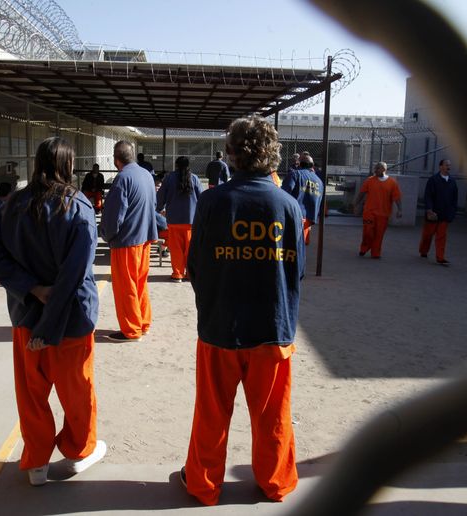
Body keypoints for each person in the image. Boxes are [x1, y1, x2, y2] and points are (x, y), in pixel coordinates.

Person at [182, 115, 304, 506]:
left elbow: (195, 265)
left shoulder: (212, 201)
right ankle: (275, 482)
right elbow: (295, 271)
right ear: (272, 154)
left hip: (221, 326)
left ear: (230, 154)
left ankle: (202, 485)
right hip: (272, 327)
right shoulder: (288, 204)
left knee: (212, 414)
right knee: (272, 417)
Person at [0, 136, 105, 487]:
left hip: (25, 317)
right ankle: (79, 451)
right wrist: (49, 330)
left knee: (31, 395)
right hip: (70, 323)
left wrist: (31, 289)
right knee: (77, 392)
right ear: (68, 165)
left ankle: (36, 462)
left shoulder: (11, 205)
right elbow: (73, 276)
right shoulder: (78, 207)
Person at [99, 141, 159, 342]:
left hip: (127, 241)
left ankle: (131, 329)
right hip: (145, 237)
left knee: (126, 287)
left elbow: (114, 215)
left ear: (117, 160)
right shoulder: (146, 175)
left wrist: (106, 234)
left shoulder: (122, 178)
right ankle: (143, 322)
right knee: (140, 283)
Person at [156, 156, 202, 282]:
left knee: (176, 249)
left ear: (176, 165)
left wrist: (159, 208)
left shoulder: (169, 178)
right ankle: (189, 274)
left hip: (174, 220)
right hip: (191, 221)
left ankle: (177, 274)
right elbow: (201, 198)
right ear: (188, 166)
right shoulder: (194, 178)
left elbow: (160, 197)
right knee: (189, 249)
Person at [354, 161, 402, 258]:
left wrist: (400, 209)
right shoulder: (369, 180)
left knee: (379, 235)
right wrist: (355, 204)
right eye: (375, 168)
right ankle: (364, 248)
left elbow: (397, 197)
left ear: (384, 169)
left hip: (383, 214)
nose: (375, 170)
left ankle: (376, 253)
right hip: (369, 212)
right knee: (368, 232)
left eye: (377, 168)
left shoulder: (392, 183)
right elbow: (361, 193)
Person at [419, 159, 458, 265]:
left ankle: (440, 257)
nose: (448, 167)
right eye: (446, 165)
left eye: (449, 165)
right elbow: (428, 196)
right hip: (433, 214)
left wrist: (452, 212)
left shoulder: (452, 181)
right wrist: (429, 210)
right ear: (440, 166)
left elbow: (454, 198)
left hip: (445, 214)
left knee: (441, 236)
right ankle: (423, 251)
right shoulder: (433, 180)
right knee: (428, 235)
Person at [282, 155, 324, 245]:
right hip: (309, 219)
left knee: (289, 247)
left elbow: (283, 194)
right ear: (312, 166)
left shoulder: (295, 174)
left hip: (294, 216)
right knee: (300, 247)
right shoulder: (319, 182)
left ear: (299, 164)